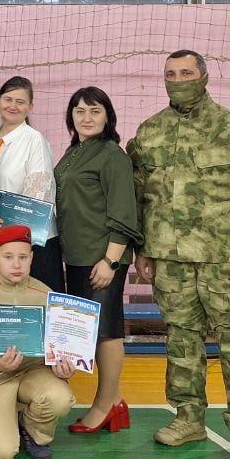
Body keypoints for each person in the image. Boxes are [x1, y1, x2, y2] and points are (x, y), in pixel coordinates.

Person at [127, 50, 230, 459]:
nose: (178, 80)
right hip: (170, 261)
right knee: (181, 340)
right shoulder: (149, 132)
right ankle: (188, 418)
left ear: (204, 76)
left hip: (225, 261)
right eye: (170, 74)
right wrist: (142, 248)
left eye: (186, 73)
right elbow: (139, 198)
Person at [54, 87, 142, 437]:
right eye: (79, 111)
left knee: (106, 332)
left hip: (102, 258)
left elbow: (124, 212)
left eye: (94, 111)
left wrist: (110, 260)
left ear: (108, 116)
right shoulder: (74, 152)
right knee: (93, 332)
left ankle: (105, 406)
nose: (86, 118)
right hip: (76, 257)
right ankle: (115, 401)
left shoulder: (112, 156)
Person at [0, 225, 76, 459]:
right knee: (2, 454)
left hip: (32, 372)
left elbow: (59, 347)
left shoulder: (45, 295)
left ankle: (33, 428)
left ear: (32, 258)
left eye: (23, 257)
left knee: (59, 397)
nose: (16, 264)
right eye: (8, 257)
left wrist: (62, 367)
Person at [0, 76, 62, 293]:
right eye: (8, 99)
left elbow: (37, 196)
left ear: (30, 107)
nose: (13, 106)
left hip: (31, 244)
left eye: (20, 101)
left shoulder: (35, 141)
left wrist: (9, 227)